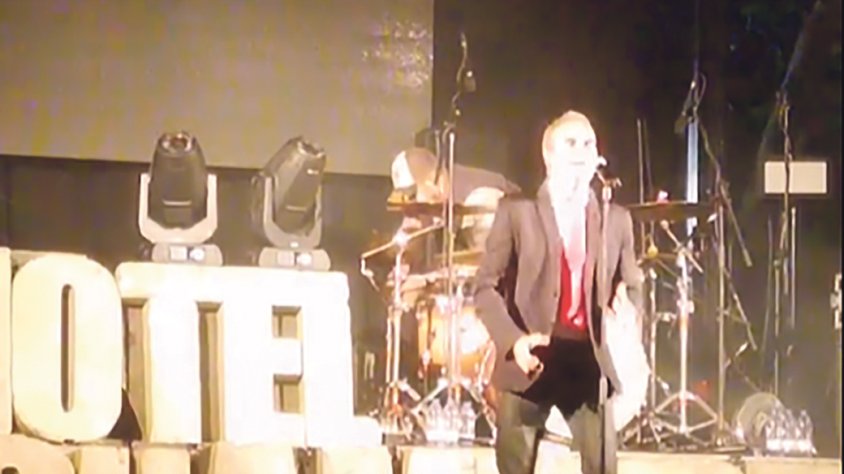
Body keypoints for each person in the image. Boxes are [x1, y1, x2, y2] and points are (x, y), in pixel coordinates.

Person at [473, 110, 643, 474]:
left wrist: (628, 307)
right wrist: (513, 342)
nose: (581, 151)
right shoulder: (518, 213)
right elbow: (484, 288)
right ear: (548, 155)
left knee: (602, 465)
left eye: (588, 143)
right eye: (571, 143)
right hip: (531, 355)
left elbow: (631, 284)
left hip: (585, 358)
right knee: (515, 465)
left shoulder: (615, 219)